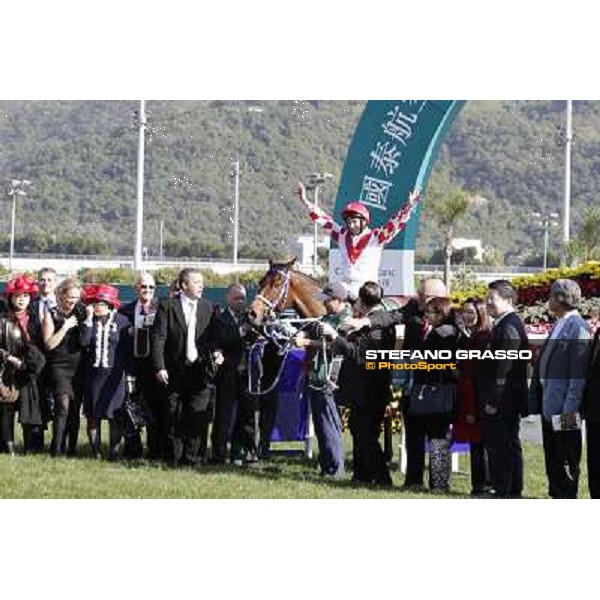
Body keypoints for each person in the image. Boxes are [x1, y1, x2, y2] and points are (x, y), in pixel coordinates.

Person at [343, 277, 448, 489]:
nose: (417, 298)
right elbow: (390, 316)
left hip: (439, 386)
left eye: (422, 295)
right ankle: (413, 481)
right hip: (412, 385)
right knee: (414, 436)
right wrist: (367, 321)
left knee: (438, 437)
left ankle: (439, 484)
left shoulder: (451, 321)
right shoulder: (411, 309)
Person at [323, 281, 395, 486]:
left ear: (363, 304)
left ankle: (381, 477)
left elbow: (356, 354)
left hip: (369, 389)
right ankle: (362, 474)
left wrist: (335, 336)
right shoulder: (377, 320)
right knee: (359, 429)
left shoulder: (372, 327)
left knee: (366, 434)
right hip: (369, 388)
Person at [295, 182, 421, 298]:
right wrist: (306, 201)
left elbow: (394, 224)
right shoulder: (341, 235)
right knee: (321, 296)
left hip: (369, 291)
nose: (351, 225)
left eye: (354, 222)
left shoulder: (376, 236)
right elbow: (324, 220)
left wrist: (408, 207)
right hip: (345, 288)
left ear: (364, 221)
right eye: (349, 222)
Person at [151, 269, 223, 467]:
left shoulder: (209, 308)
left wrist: (217, 352)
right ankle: (175, 457)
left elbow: (214, 338)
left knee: (197, 415)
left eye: (202, 282)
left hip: (199, 371)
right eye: (197, 282)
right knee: (173, 413)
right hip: (173, 370)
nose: (201, 285)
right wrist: (160, 366)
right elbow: (158, 337)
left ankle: (194, 458)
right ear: (184, 285)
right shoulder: (167, 306)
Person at [530, 280, 590, 498]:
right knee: (553, 459)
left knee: (566, 459)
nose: (549, 300)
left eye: (552, 296)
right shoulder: (559, 323)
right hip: (551, 407)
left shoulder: (578, 328)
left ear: (562, 298)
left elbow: (578, 376)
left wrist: (568, 410)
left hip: (565, 410)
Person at [294, 281, 352, 478]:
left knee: (330, 424)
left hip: (331, 379)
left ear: (338, 300)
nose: (324, 304)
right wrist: (303, 332)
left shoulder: (346, 321)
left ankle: (336, 470)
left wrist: (307, 342)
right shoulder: (328, 317)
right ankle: (327, 466)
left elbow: (336, 347)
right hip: (318, 377)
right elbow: (314, 329)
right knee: (321, 425)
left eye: (327, 301)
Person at [478, 280, 529, 498]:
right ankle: (508, 489)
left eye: (493, 298)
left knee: (502, 448)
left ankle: (504, 490)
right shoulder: (504, 323)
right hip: (503, 400)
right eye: (487, 298)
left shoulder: (509, 326)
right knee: (505, 447)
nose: (488, 303)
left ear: (508, 300)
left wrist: (493, 401)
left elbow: (504, 370)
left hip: (503, 402)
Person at [407, 297, 460, 492]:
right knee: (439, 438)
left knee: (438, 438)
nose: (426, 315)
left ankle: (438, 483)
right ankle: (438, 482)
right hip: (442, 391)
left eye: (430, 312)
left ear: (441, 313)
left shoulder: (441, 334)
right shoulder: (449, 331)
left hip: (436, 391)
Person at [79, 284, 131, 460]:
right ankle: (97, 453)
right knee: (93, 415)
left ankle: (114, 453)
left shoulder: (122, 321)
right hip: (93, 376)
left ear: (109, 304)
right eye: (94, 303)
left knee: (114, 416)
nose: (96, 306)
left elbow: (128, 348)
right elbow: (84, 342)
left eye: (100, 303)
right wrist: (87, 319)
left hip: (115, 376)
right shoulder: (89, 322)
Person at [211, 283, 258, 464]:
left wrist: (258, 327)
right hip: (227, 374)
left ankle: (246, 453)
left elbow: (255, 338)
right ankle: (218, 454)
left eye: (243, 298)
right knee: (224, 415)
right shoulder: (219, 319)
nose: (240, 302)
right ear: (228, 298)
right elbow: (221, 340)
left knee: (248, 415)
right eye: (236, 298)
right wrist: (241, 331)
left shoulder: (249, 317)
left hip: (247, 374)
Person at [119, 272, 164, 459]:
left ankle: (155, 450)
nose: (147, 290)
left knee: (154, 409)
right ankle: (133, 449)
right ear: (135, 288)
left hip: (154, 368)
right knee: (129, 408)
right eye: (143, 286)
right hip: (132, 367)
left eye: (151, 287)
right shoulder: (125, 311)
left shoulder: (162, 309)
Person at [43, 278, 86, 457]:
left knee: (75, 409)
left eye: (76, 297)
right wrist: (65, 327)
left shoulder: (82, 312)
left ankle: (72, 448)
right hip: (59, 366)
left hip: (79, 366)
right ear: (61, 295)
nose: (73, 301)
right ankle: (57, 448)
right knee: (62, 405)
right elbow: (49, 344)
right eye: (70, 297)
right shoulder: (51, 314)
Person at [5, 275, 48, 453]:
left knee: (31, 409)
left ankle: (32, 448)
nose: (21, 299)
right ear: (11, 297)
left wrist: (27, 364)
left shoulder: (36, 319)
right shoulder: (3, 318)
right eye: (17, 295)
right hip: (7, 371)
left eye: (25, 295)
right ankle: (7, 447)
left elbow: (40, 349)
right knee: (6, 411)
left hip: (31, 373)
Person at [454, 298, 492, 495]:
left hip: (476, 398)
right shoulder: (469, 337)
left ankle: (484, 484)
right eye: (465, 312)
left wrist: (472, 408)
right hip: (468, 395)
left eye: (471, 312)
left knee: (481, 445)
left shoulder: (482, 338)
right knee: (475, 445)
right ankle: (479, 484)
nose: (467, 316)